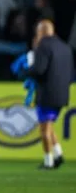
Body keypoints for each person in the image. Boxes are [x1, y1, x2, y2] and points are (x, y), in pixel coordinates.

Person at [23, 19, 73, 170]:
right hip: (62, 94)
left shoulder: (43, 46)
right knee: (49, 126)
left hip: (47, 94)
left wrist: (27, 69)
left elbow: (38, 70)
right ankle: (58, 154)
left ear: (41, 32)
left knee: (44, 129)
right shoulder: (66, 47)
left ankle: (48, 162)